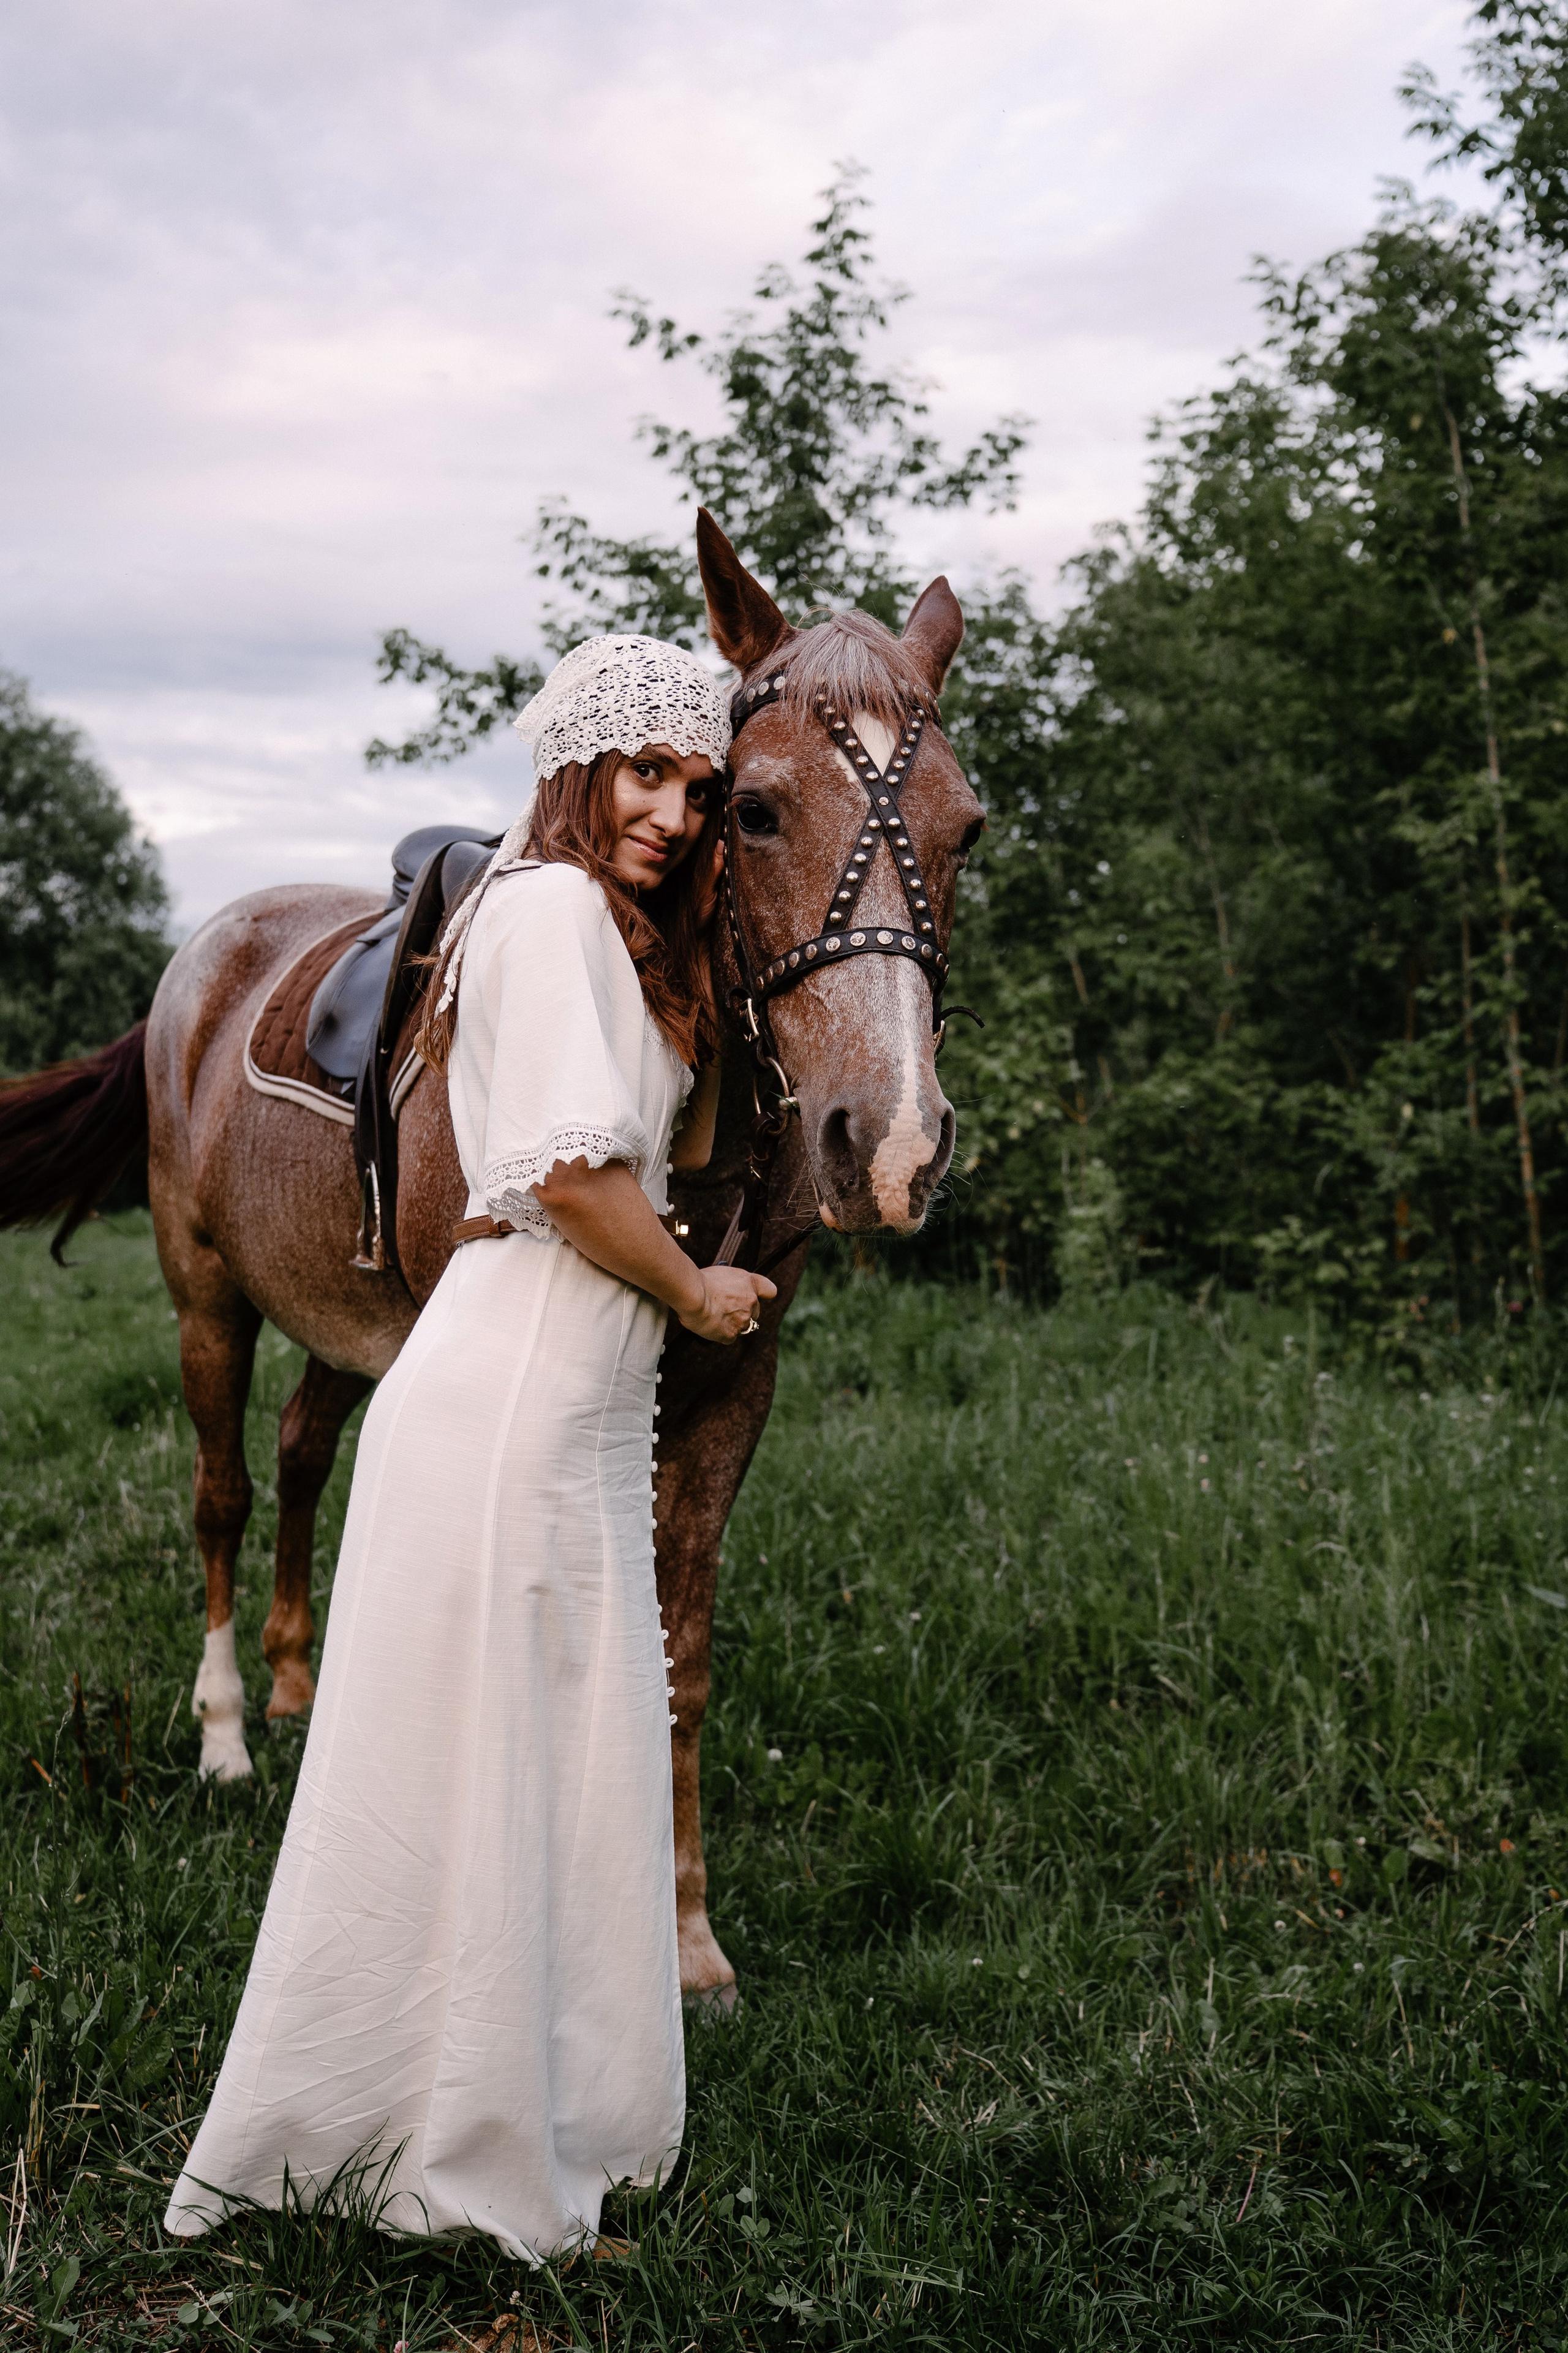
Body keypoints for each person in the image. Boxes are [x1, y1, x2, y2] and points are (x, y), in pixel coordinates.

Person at [165, 634, 776, 2260]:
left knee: (545, 1773)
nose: (672, 814)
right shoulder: (554, 908)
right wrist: (701, 1294)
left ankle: (518, 2113)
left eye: (700, 790)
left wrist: (707, 976)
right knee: (504, 1772)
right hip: (515, 1396)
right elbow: (577, 1180)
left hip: (572, 1408)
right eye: (645, 774)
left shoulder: (603, 932)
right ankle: (467, 2156)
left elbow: (682, 1140)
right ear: (579, 764)